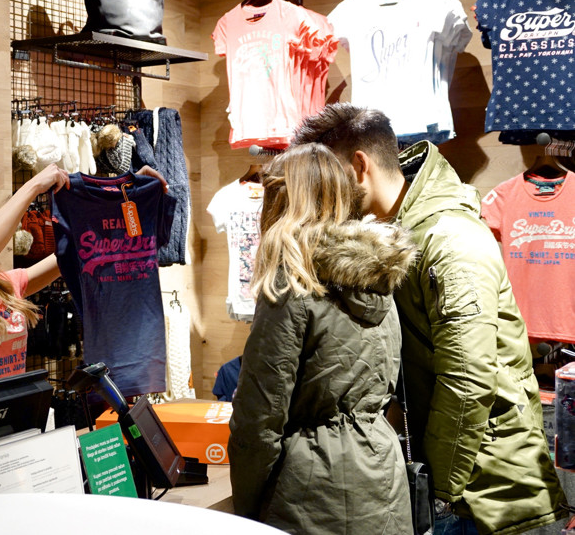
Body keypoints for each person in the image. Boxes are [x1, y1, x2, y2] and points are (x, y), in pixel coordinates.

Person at [292, 103, 568, 535]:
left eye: (327, 177)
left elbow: (469, 378)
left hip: (486, 496)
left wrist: (438, 490)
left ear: (359, 166)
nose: (323, 193)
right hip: (458, 484)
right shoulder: (398, 232)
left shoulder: (450, 237)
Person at [228, 142, 417, 534]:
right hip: (383, 473)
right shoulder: (378, 276)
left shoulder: (293, 285)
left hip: (310, 490)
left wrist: (245, 508)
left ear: (281, 202)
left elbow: (259, 422)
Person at [0, 164, 167, 390]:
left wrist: (125, 195)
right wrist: (34, 185)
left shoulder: (8, 286)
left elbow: (76, 251)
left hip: (21, 417)